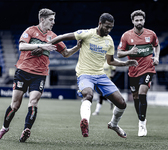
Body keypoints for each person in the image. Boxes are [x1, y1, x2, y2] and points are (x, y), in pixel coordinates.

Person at [49, 13, 138, 138]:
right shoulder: (87, 34)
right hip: (85, 74)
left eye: (111, 27)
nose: (108, 30)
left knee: (122, 103)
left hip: (100, 75)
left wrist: (126, 63)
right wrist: (45, 46)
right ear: (100, 23)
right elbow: (63, 37)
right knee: (88, 95)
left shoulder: (109, 40)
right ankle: (85, 123)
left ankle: (113, 124)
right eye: (107, 27)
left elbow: (110, 61)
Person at [0, 8, 82, 142]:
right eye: (51, 20)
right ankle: (4, 128)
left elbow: (66, 53)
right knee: (15, 105)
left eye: (54, 20)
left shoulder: (54, 37)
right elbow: (22, 46)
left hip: (39, 75)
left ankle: (26, 130)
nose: (53, 22)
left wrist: (78, 47)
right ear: (42, 19)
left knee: (33, 102)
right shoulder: (31, 31)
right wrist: (43, 46)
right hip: (23, 71)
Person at [117, 10, 160, 137]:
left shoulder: (151, 34)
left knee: (142, 93)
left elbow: (156, 45)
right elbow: (119, 53)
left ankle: (141, 124)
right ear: (133, 21)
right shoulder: (126, 36)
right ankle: (142, 118)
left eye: (141, 20)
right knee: (135, 97)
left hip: (148, 68)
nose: (139, 22)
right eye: (137, 20)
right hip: (133, 70)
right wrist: (130, 52)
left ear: (144, 20)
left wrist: (156, 57)